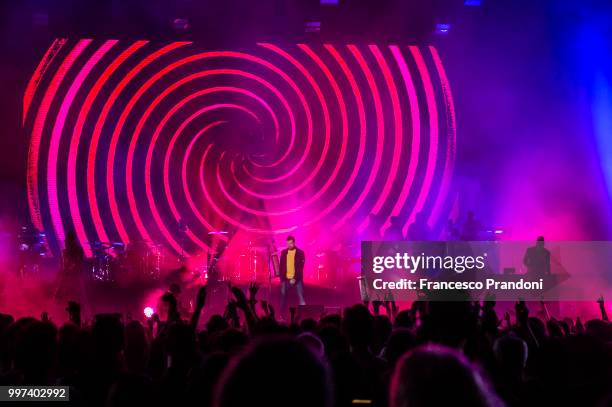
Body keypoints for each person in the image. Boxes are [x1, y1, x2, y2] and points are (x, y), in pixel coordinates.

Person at [53, 231, 85, 303]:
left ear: (72, 241)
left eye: (67, 240)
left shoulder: (78, 251)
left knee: (78, 298)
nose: (65, 242)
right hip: (66, 277)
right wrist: (58, 278)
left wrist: (69, 272)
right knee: (59, 298)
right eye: (65, 241)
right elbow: (62, 266)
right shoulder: (64, 252)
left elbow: (78, 264)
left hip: (75, 277)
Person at [279, 235, 306, 314]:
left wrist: (295, 279)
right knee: (282, 294)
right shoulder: (284, 252)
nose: (289, 245)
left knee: (301, 296)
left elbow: (300, 268)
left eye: (290, 243)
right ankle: (282, 314)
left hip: (297, 279)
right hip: (286, 279)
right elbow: (281, 267)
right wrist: (282, 280)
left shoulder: (300, 253)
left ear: (294, 243)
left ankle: (304, 313)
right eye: (287, 244)